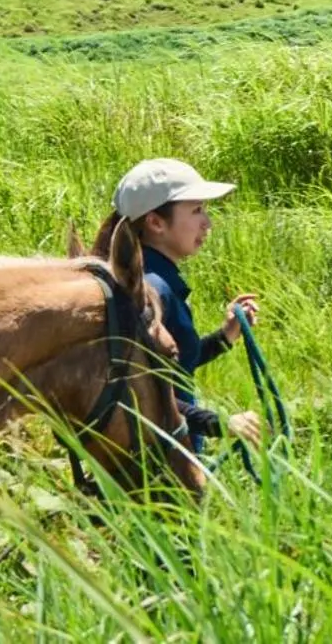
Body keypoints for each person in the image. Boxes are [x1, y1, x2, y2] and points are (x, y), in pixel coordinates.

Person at [93, 158, 263, 452]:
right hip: (160, 467)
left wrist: (224, 337)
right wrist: (218, 422)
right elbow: (138, 388)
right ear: (156, 222)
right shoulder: (151, 290)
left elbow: (171, 367)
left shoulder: (157, 282)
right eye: (196, 210)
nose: (207, 222)